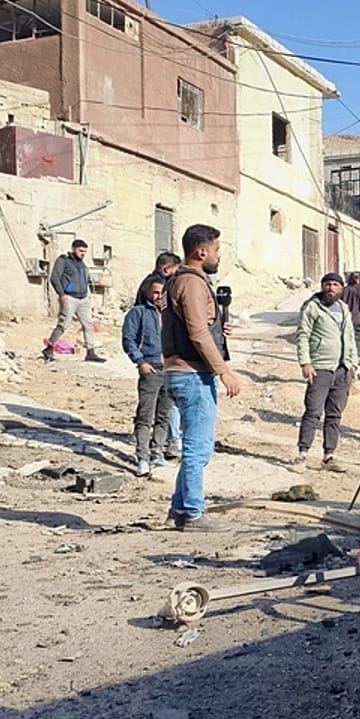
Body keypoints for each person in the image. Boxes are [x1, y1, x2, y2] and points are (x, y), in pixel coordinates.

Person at [161, 223, 241, 532]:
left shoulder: (177, 281)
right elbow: (196, 331)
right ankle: (194, 513)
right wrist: (224, 370)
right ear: (201, 251)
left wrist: (218, 329)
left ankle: (179, 510)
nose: (219, 256)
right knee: (197, 447)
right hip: (192, 375)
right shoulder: (192, 282)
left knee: (198, 446)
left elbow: (195, 326)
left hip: (181, 371)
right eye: (217, 250)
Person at [295, 272, 357, 471]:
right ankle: (302, 454)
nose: (331, 288)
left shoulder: (344, 309)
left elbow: (350, 338)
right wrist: (305, 362)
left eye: (335, 285)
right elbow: (303, 335)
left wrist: (353, 363)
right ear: (322, 287)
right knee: (313, 412)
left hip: (342, 369)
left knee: (334, 415)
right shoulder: (313, 307)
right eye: (327, 284)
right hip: (320, 367)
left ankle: (329, 456)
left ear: (342, 288)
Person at [122, 278, 174, 477]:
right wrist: (140, 362)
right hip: (150, 369)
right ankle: (142, 457)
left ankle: (157, 452)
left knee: (164, 415)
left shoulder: (172, 315)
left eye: (162, 293)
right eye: (155, 292)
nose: (159, 297)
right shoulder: (138, 313)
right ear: (148, 293)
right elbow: (129, 340)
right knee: (145, 416)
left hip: (170, 370)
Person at [139, 252, 185, 458]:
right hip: (156, 357)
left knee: (161, 406)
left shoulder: (148, 284)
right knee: (162, 405)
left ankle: (159, 440)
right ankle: (169, 441)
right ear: (167, 269)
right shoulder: (159, 287)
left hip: (158, 356)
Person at [42, 239, 105, 363]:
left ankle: (90, 352)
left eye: (84, 252)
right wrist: (61, 294)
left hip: (83, 299)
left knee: (88, 325)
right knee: (63, 324)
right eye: (80, 250)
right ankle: (49, 348)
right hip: (69, 298)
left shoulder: (82, 264)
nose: (82, 253)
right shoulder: (63, 261)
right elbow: (55, 277)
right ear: (73, 249)